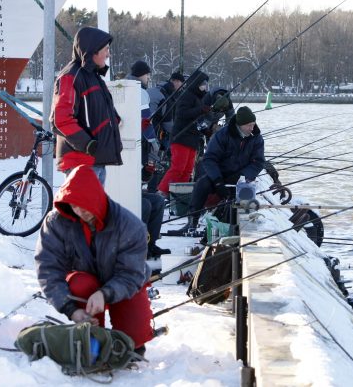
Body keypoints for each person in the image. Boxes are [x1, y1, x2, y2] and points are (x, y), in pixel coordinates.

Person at [35, 165, 154, 354]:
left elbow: (131, 274)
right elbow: (48, 269)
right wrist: (70, 309)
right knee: (81, 283)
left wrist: (104, 294)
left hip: (123, 283)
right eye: (74, 205)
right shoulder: (55, 222)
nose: (81, 211)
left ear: (98, 197)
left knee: (134, 341)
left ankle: (129, 342)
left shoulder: (130, 225)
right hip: (84, 284)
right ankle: (91, 335)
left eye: (86, 204)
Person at [174, 106, 265, 234]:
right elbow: (209, 159)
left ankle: (243, 226)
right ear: (240, 124)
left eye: (253, 124)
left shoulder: (257, 138)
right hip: (220, 177)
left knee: (244, 196)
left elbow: (258, 162)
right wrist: (217, 180)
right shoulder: (222, 135)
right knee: (202, 184)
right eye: (249, 125)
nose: (252, 128)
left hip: (242, 179)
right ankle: (192, 221)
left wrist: (243, 176)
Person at [50, 26, 122, 186]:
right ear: (93, 50)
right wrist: (87, 144)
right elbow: (61, 119)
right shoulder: (71, 76)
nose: (108, 54)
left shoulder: (93, 77)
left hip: (95, 160)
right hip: (81, 162)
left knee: (93, 210)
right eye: (106, 49)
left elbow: (101, 110)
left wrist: (115, 122)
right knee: (80, 210)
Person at [157, 70, 210, 198]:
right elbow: (182, 114)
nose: (205, 86)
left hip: (193, 139)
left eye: (206, 84)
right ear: (196, 83)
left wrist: (205, 128)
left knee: (187, 170)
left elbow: (197, 118)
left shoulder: (200, 98)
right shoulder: (187, 95)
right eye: (203, 84)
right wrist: (200, 110)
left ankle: (180, 195)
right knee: (178, 168)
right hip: (181, 137)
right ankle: (161, 192)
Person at [147, 71, 185, 152]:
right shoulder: (166, 95)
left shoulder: (164, 90)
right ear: (175, 81)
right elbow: (167, 121)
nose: (181, 86)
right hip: (154, 132)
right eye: (181, 83)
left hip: (149, 130)